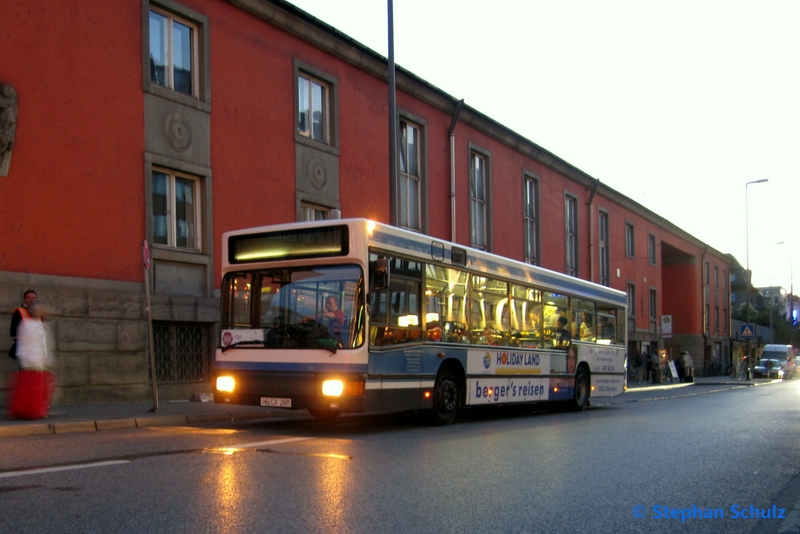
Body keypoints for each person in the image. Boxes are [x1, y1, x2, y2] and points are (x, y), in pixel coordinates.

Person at [9, 289, 37, 361]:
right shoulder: (19, 312)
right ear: (24, 299)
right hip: (24, 348)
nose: (31, 299)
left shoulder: (38, 313)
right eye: (28, 297)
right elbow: (13, 331)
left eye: (33, 298)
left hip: (36, 348)